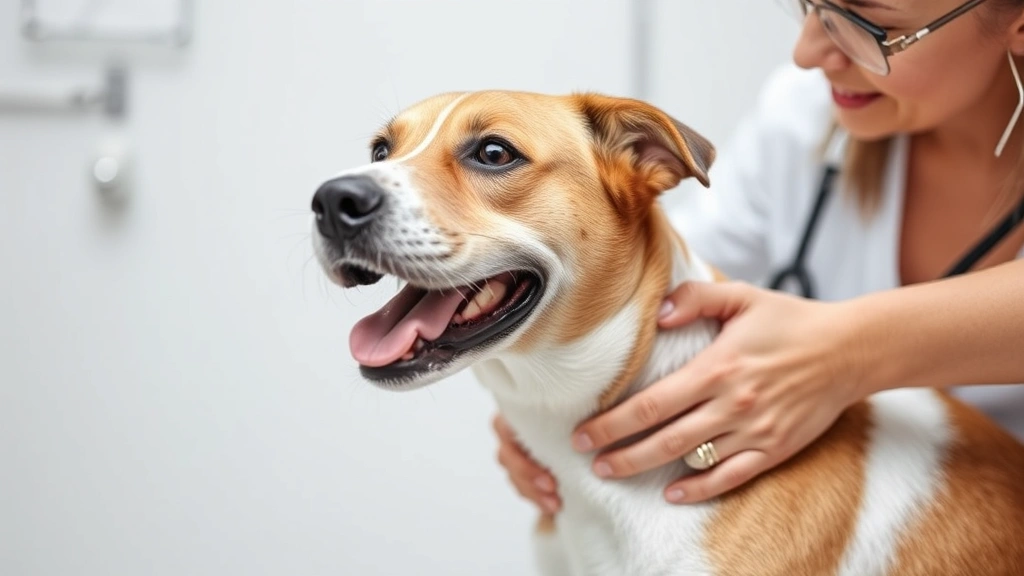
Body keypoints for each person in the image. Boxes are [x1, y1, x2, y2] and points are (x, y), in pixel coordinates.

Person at [493, 0, 1024, 516]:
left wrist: (842, 354)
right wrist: (554, 405)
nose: (806, 52)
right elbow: (655, 280)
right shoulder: (805, 114)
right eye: (811, 6)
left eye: (868, 22)